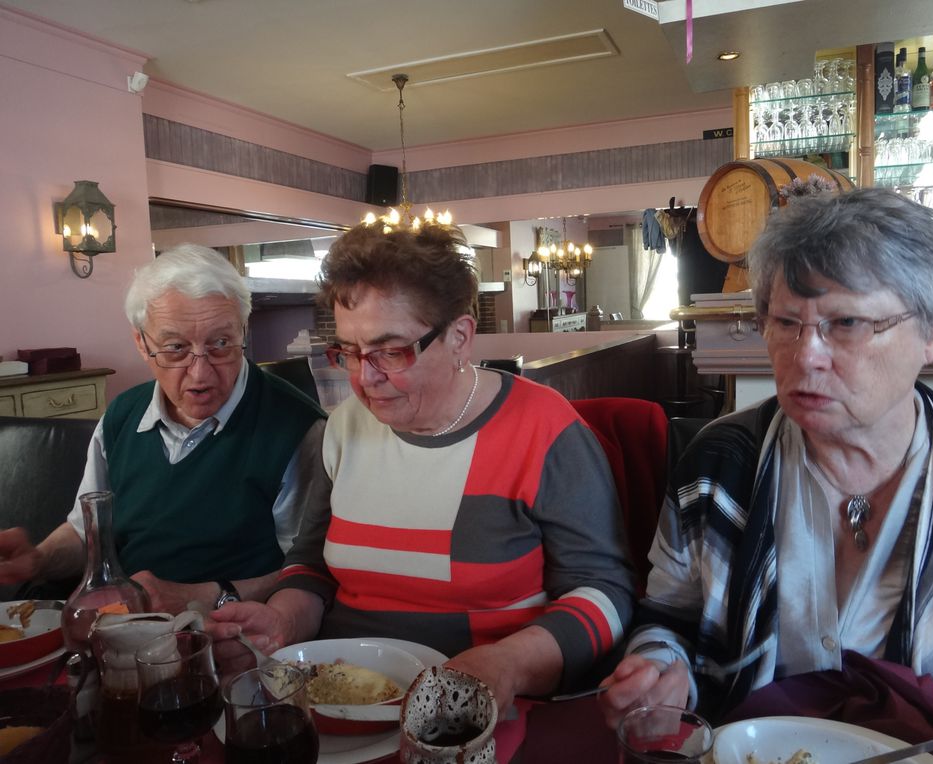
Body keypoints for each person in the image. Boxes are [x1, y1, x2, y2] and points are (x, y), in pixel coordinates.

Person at [598, 188, 933, 763]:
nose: (806, 356)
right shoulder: (720, 462)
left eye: (846, 322)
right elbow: (668, 617)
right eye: (785, 322)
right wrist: (657, 671)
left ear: (931, 332)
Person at [208, 221, 635, 715]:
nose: (365, 379)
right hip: (341, 699)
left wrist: (509, 663)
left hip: (480, 708)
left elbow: (605, 594)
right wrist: (281, 620)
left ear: (459, 337)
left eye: (391, 351)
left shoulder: (545, 430)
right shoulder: (344, 428)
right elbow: (313, 566)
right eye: (349, 351)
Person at [0, 244, 328, 613]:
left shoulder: (296, 428)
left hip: (231, 635)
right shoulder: (122, 415)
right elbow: (86, 533)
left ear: (243, 329)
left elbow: (308, 571)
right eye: (175, 348)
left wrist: (204, 596)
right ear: (142, 342)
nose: (201, 373)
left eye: (221, 344)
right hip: (124, 625)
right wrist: (38, 559)